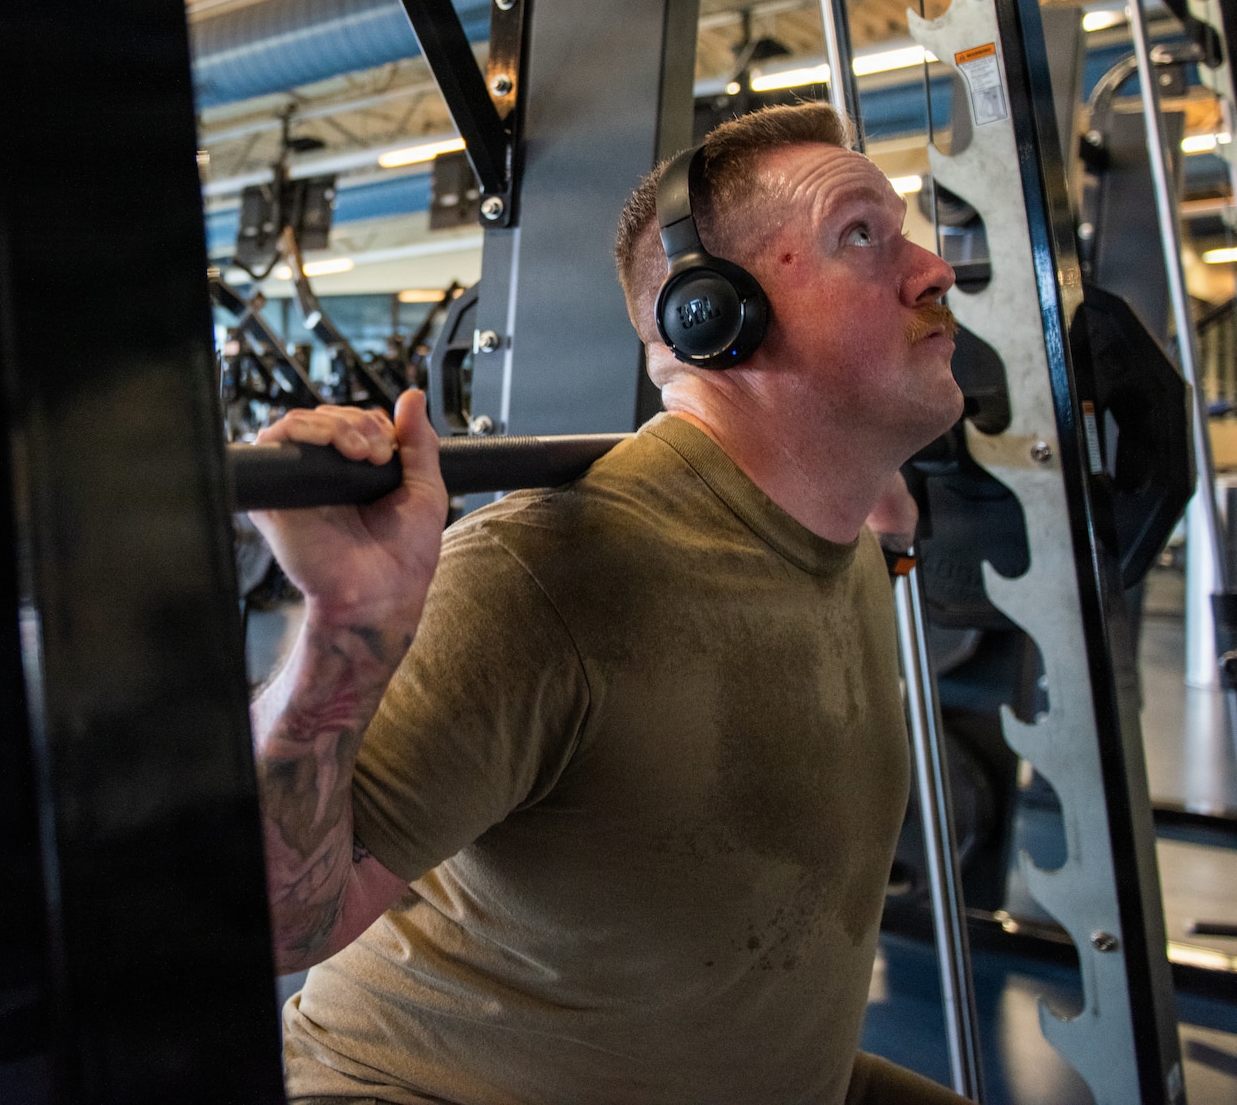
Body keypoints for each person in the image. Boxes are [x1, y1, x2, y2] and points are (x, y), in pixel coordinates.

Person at [248, 103, 969, 1105]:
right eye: (860, 236)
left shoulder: (834, 543)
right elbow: (278, 919)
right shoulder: (542, 578)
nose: (932, 270)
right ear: (711, 315)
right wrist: (343, 631)